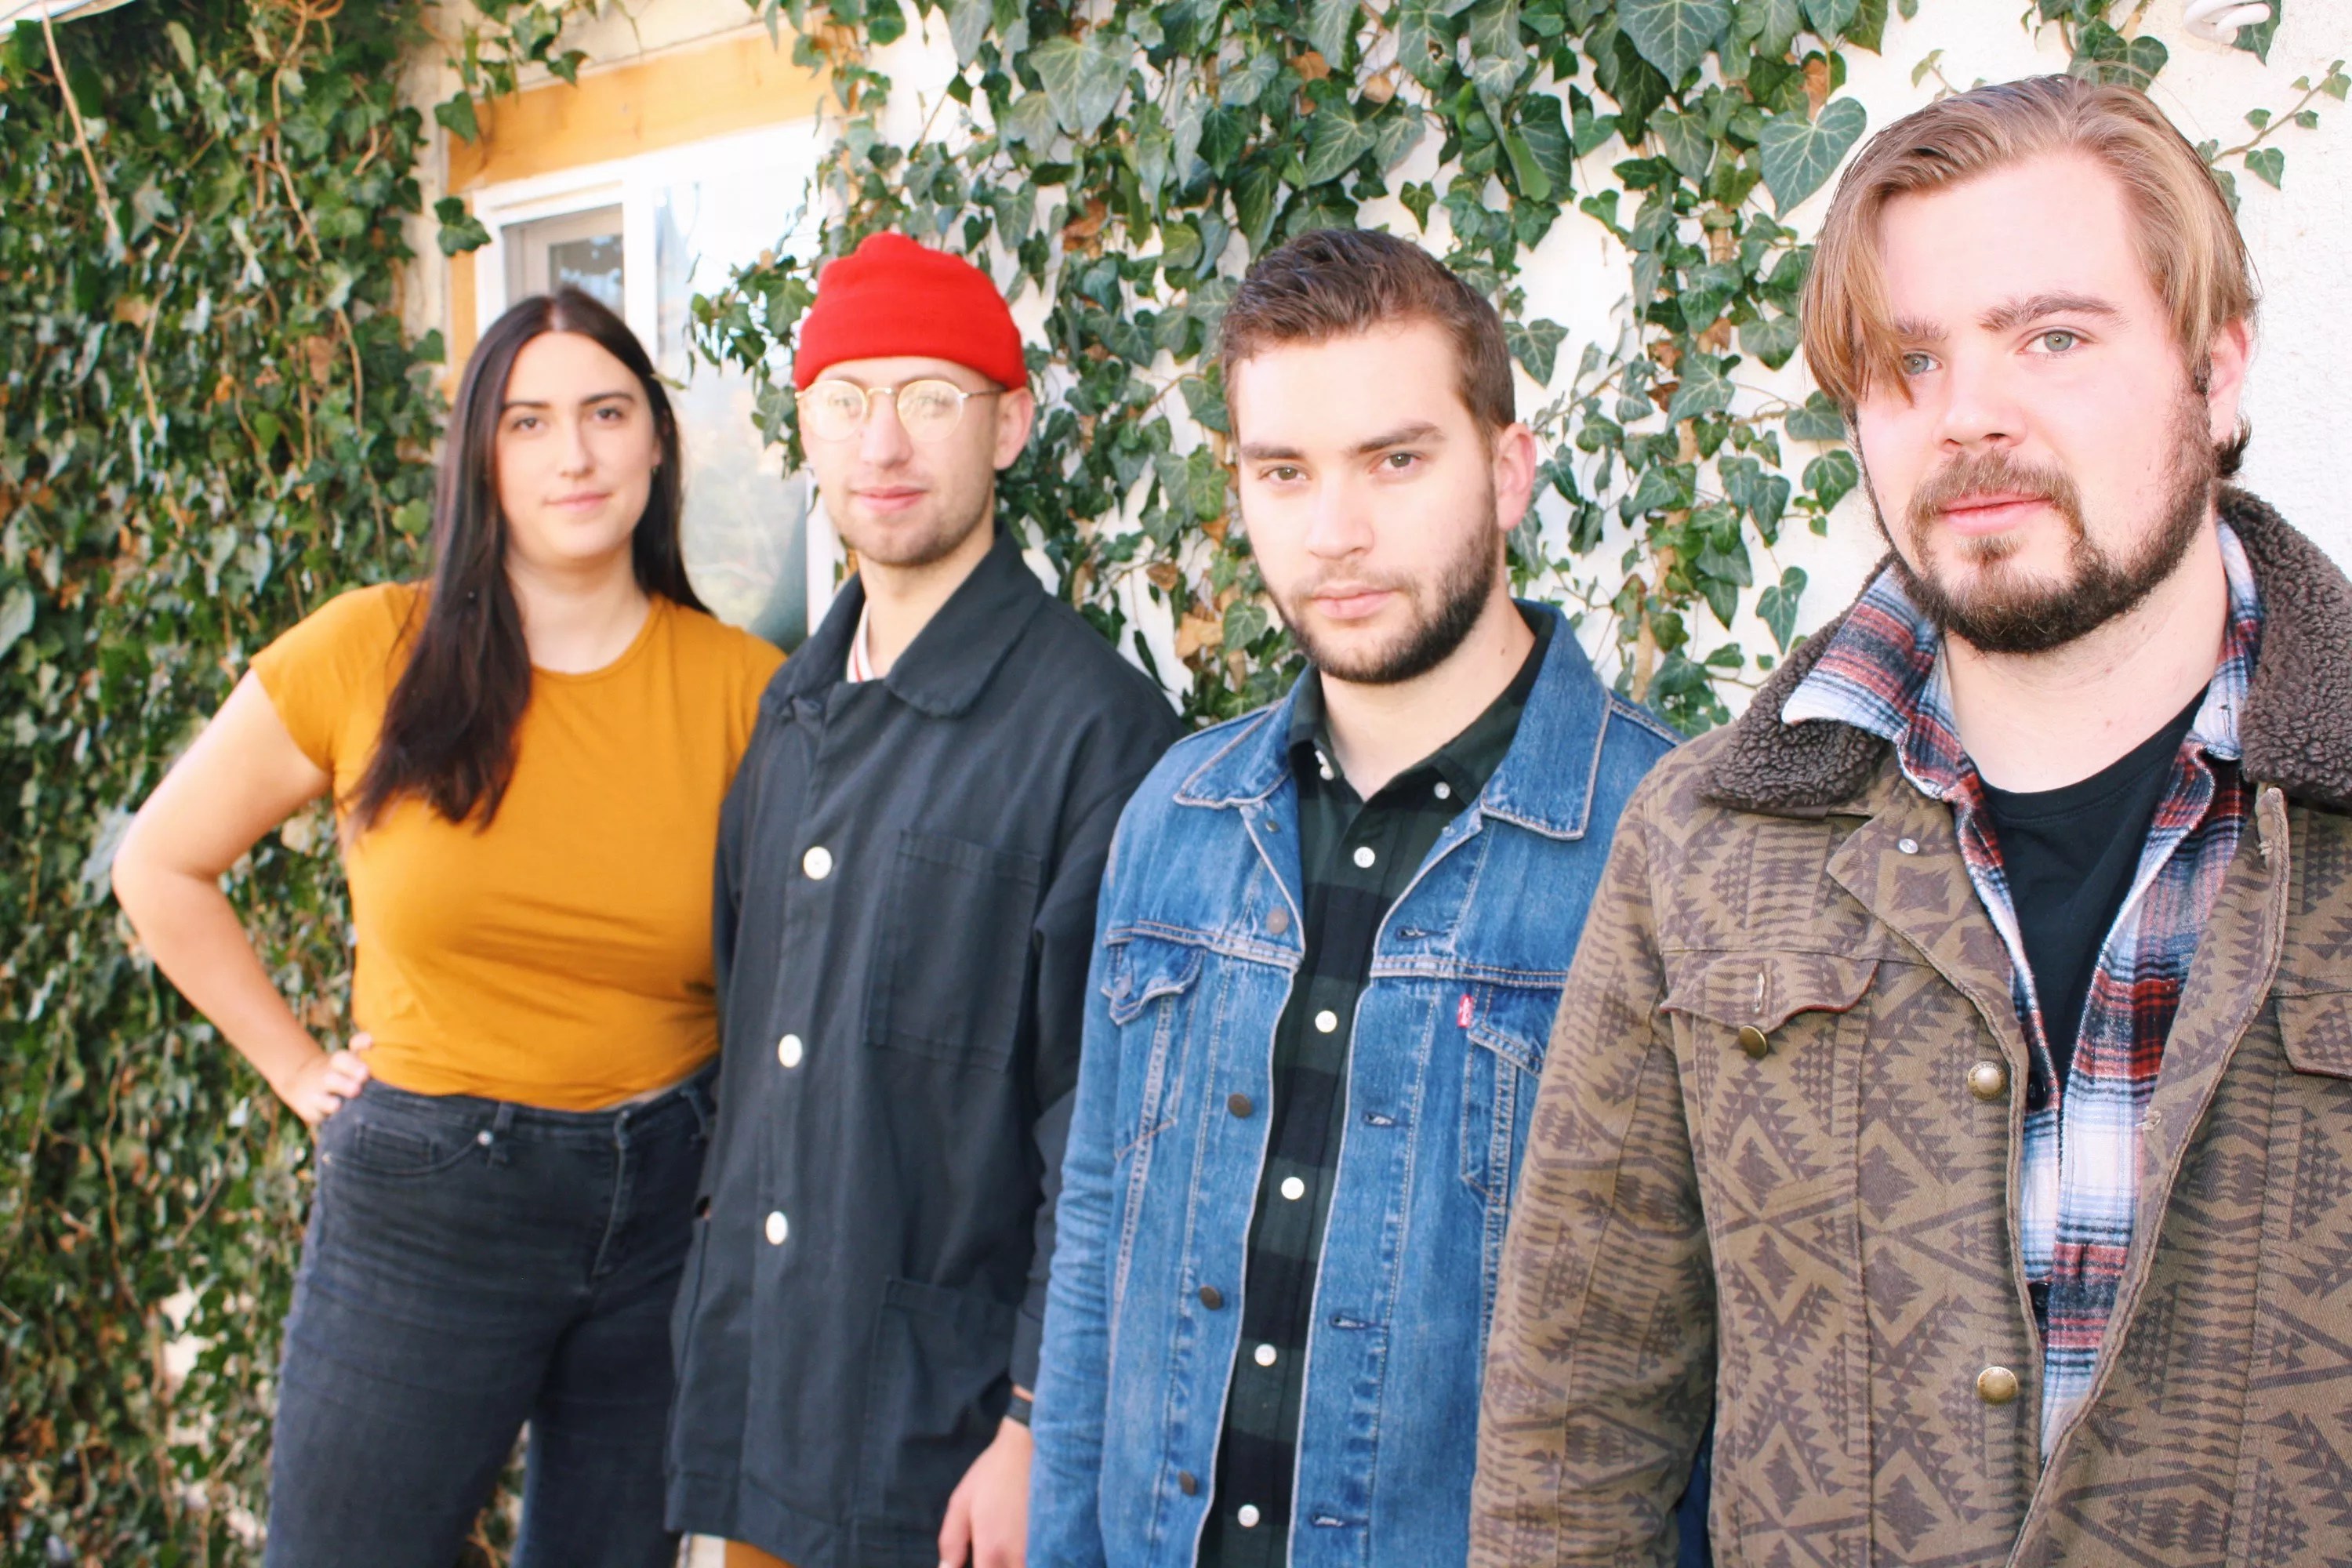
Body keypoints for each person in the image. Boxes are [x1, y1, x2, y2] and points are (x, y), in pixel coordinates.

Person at [1471, 74, 2352, 1566]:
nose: (1970, 417)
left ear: (2218, 369)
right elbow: (1577, 1430)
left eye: (2053, 338)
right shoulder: (1704, 844)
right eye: (1911, 362)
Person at [1025, 228, 1688, 1568]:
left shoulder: (1669, 843)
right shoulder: (1174, 818)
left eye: (1395, 460)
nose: (1335, 533)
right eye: (1286, 472)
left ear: (1507, 472)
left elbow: (1721, 1354)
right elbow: (1098, 1240)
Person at [108, 289, 782, 1568]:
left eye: (607, 414)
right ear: (481, 454)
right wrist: (293, 1068)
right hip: (428, 1205)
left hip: (666, 1206)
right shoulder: (372, 648)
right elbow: (161, 865)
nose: (574, 454)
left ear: (656, 442)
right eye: (529, 422)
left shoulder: (748, 690)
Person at [663, 233, 1183, 1568]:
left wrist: (1033, 1426)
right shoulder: (789, 712)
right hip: (761, 1406)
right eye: (846, 400)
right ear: (805, 429)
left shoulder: (1099, 736)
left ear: (1008, 425)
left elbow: (1109, 1128)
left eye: (931, 398)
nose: (883, 441)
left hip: (946, 1450)